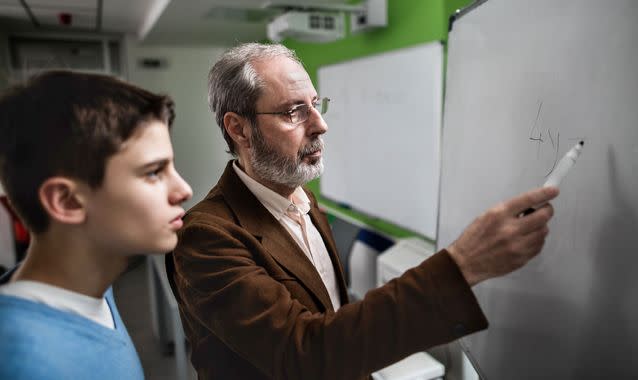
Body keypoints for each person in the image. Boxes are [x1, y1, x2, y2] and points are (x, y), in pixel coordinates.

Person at [167, 42, 558, 380]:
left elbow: (330, 315)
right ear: (238, 129)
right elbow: (303, 353)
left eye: (317, 106)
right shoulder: (205, 238)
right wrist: (461, 266)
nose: (320, 125)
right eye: (293, 112)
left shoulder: (302, 200)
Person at [0, 71, 193, 379]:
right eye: (154, 172)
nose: (184, 190)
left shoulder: (91, 286)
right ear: (68, 202)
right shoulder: (25, 363)